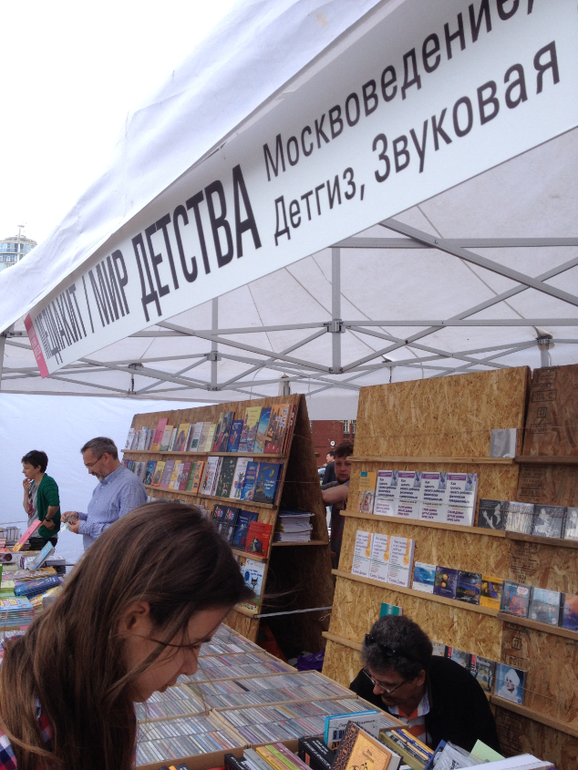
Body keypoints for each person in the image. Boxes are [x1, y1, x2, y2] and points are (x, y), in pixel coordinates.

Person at [0, 501, 253, 770]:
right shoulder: (15, 740)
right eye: (191, 644)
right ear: (132, 619)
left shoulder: (112, 689)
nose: (192, 668)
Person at [349, 615, 501, 752]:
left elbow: (488, 756)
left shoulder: (460, 689)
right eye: (374, 679)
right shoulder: (364, 687)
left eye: (387, 685)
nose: (376, 690)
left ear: (419, 678)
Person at [63, 436, 147, 550]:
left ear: (106, 458)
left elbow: (127, 532)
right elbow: (101, 518)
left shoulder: (130, 485)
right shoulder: (102, 484)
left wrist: (85, 527)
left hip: (112, 559)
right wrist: (78, 517)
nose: (89, 471)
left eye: (91, 465)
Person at [321, 441, 353, 567]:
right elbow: (316, 492)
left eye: (348, 464)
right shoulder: (337, 484)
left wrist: (333, 497)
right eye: (338, 464)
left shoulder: (357, 484)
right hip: (337, 555)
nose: (342, 469)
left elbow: (325, 496)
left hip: (350, 560)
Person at [21, 450, 60, 547]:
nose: (23, 471)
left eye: (26, 468)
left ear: (38, 467)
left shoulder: (47, 482)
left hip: (43, 536)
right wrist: (26, 492)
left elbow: (54, 504)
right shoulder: (33, 484)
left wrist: (48, 519)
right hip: (33, 534)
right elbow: (28, 511)